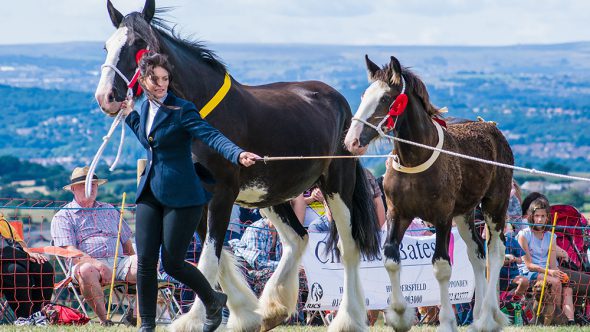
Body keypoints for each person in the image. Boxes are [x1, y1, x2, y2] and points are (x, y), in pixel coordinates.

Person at [119, 52, 259, 332]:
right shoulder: (144, 109)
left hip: (183, 195)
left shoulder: (182, 109)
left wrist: (237, 153)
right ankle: (146, 325)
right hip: (149, 192)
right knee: (145, 261)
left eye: (165, 79)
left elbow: (210, 134)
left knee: (171, 263)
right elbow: (150, 140)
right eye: (155, 79)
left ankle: (212, 299)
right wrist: (130, 116)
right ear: (143, 80)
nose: (161, 84)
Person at [51, 166, 137, 326]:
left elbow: (127, 244)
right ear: (73, 189)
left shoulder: (110, 209)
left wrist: (133, 260)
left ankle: (136, 315)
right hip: (86, 265)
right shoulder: (63, 216)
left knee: (144, 261)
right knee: (85, 270)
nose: (89, 188)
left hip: (119, 262)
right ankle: (106, 321)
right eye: (84, 185)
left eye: (93, 184)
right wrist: (98, 264)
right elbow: (70, 252)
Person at [517, 198, 575, 325]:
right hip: (529, 272)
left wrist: (559, 273)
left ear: (547, 217)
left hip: (547, 271)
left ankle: (558, 317)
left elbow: (553, 264)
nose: (539, 219)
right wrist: (550, 272)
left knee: (560, 280)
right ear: (531, 216)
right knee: (555, 282)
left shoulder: (551, 236)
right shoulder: (524, 235)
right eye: (537, 216)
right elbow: (528, 265)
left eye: (543, 216)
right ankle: (553, 318)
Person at [0, 213, 54, 319]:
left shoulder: (2, 221)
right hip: (7, 261)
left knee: (43, 266)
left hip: (13, 256)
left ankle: (39, 315)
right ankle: (24, 318)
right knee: (16, 272)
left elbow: (19, 243)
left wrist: (28, 252)